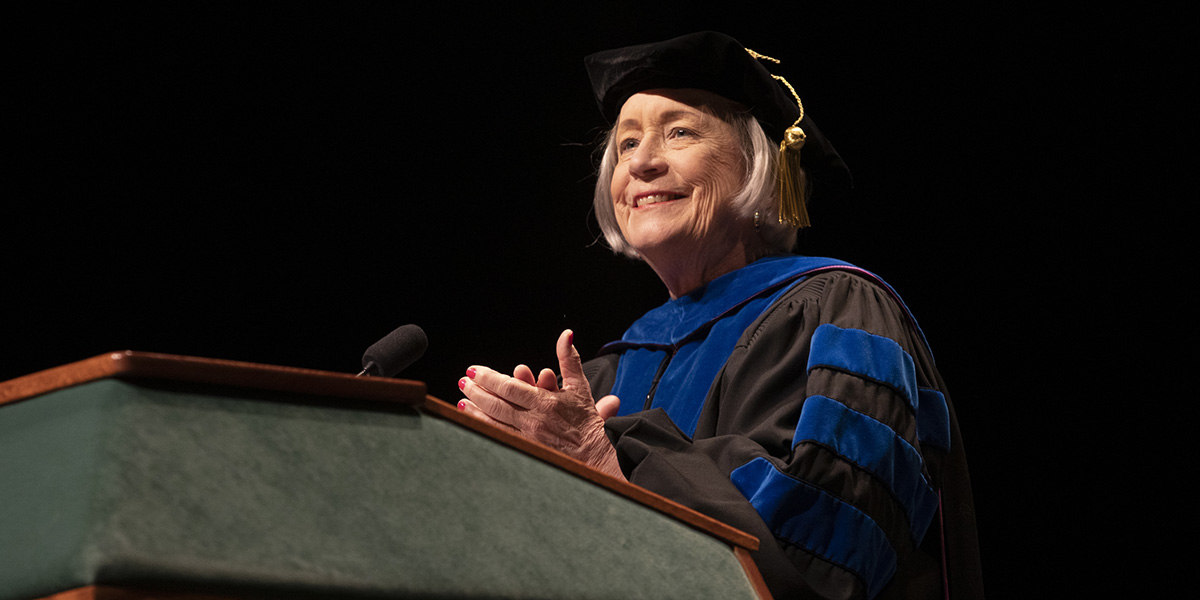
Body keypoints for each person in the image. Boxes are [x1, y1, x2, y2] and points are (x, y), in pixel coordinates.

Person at [456, 31, 982, 600]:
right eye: (627, 145)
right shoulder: (603, 376)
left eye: (679, 132)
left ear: (758, 165)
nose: (643, 163)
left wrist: (613, 465)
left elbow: (826, 551)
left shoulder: (839, 312)